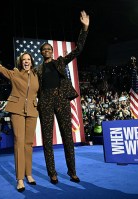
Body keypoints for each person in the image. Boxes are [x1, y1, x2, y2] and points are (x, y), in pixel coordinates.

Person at [36, 10, 89, 184]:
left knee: (68, 137)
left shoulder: (60, 62)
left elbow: (78, 50)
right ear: (41, 53)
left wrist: (85, 28)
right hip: (45, 101)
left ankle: (72, 171)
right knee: (47, 139)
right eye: (44, 50)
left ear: (52, 51)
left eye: (48, 49)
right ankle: (52, 173)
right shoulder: (37, 70)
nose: (46, 51)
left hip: (61, 99)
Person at [0, 31, 39, 192]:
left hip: (32, 111)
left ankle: (29, 174)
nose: (26, 62)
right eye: (24, 60)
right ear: (20, 62)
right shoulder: (15, 73)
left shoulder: (37, 75)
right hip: (16, 109)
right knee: (19, 141)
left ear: (32, 61)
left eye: (28, 60)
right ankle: (20, 179)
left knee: (29, 144)